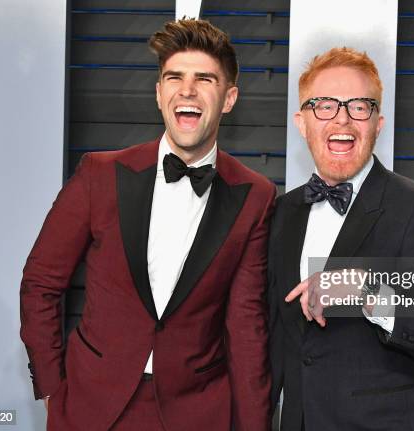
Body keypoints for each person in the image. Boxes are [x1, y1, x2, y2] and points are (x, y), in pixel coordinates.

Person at [20, 19, 274, 431]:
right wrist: (52, 390)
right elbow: (41, 282)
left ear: (229, 99)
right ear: (159, 94)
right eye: (175, 77)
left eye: (204, 79)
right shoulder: (99, 173)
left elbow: (247, 326)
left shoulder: (255, 194)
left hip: (197, 412)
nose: (187, 89)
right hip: (91, 405)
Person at [268, 47, 414, 430]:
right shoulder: (281, 212)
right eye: (324, 105)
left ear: (377, 123)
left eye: (359, 107)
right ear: (302, 121)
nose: (342, 119)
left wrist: (367, 291)